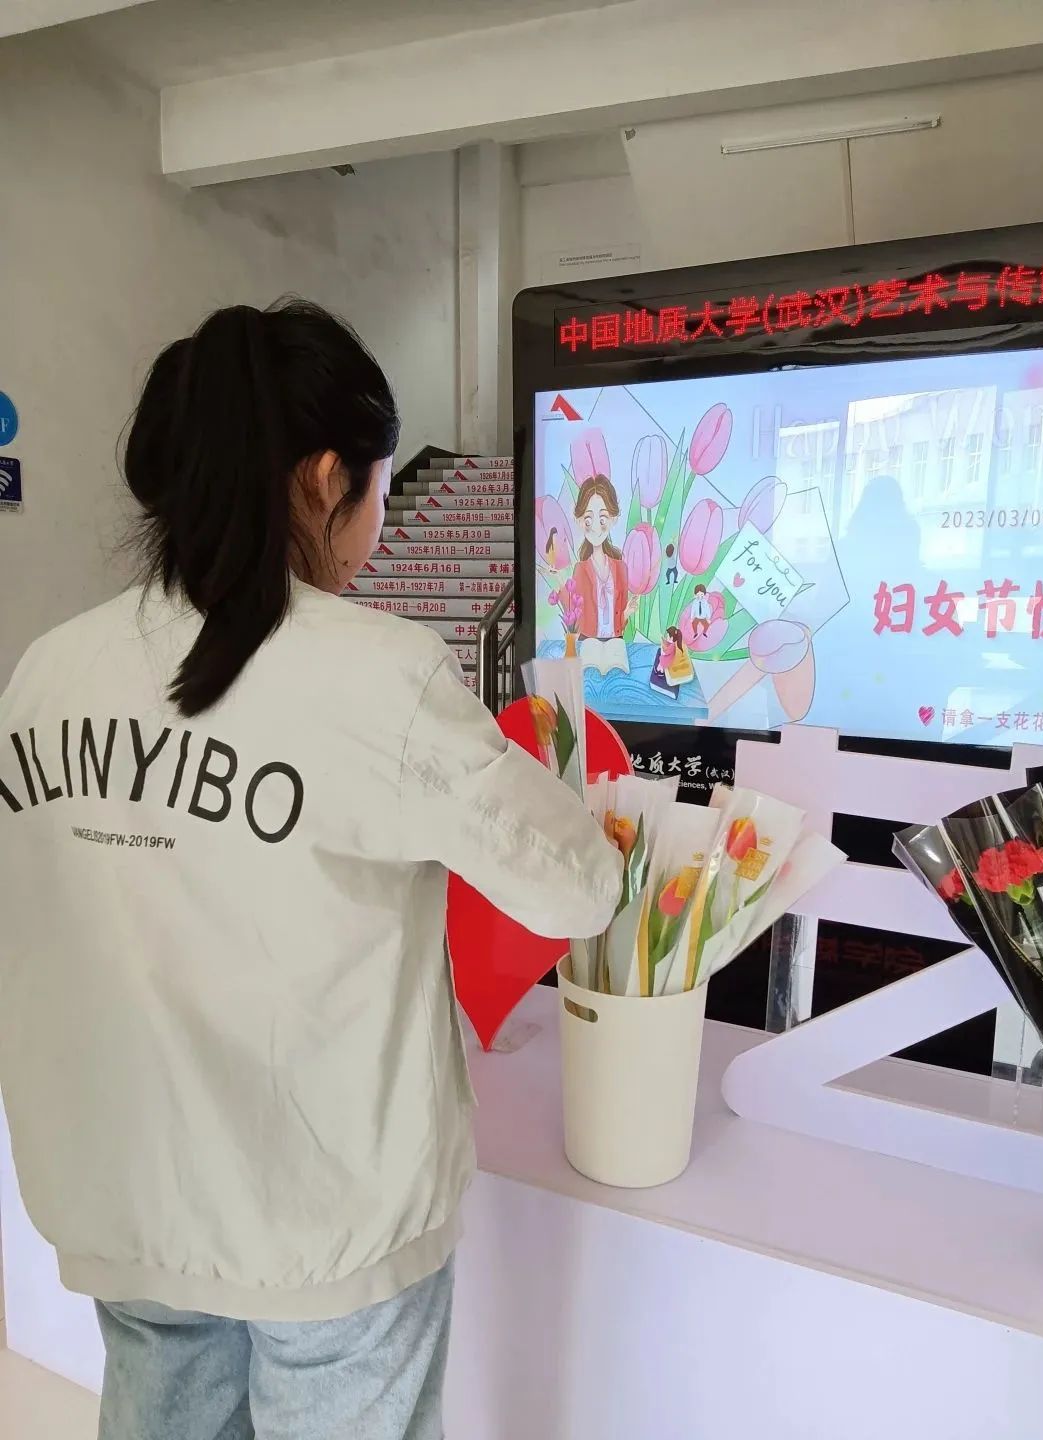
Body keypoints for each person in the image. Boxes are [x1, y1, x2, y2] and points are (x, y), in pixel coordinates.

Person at [0, 301, 621, 1440]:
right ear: (326, 478)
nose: (378, 524)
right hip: (326, 1218)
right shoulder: (376, 672)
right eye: (379, 489)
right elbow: (575, 885)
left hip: (122, 1198)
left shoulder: (46, 672)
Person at [571, 474, 629, 640]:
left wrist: (628, 612)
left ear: (613, 519)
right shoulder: (580, 570)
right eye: (588, 520)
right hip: (588, 640)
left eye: (602, 519)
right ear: (579, 521)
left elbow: (621, 620)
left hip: (615, 640)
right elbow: (575, 614)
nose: (596, 527)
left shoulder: (620, 568)